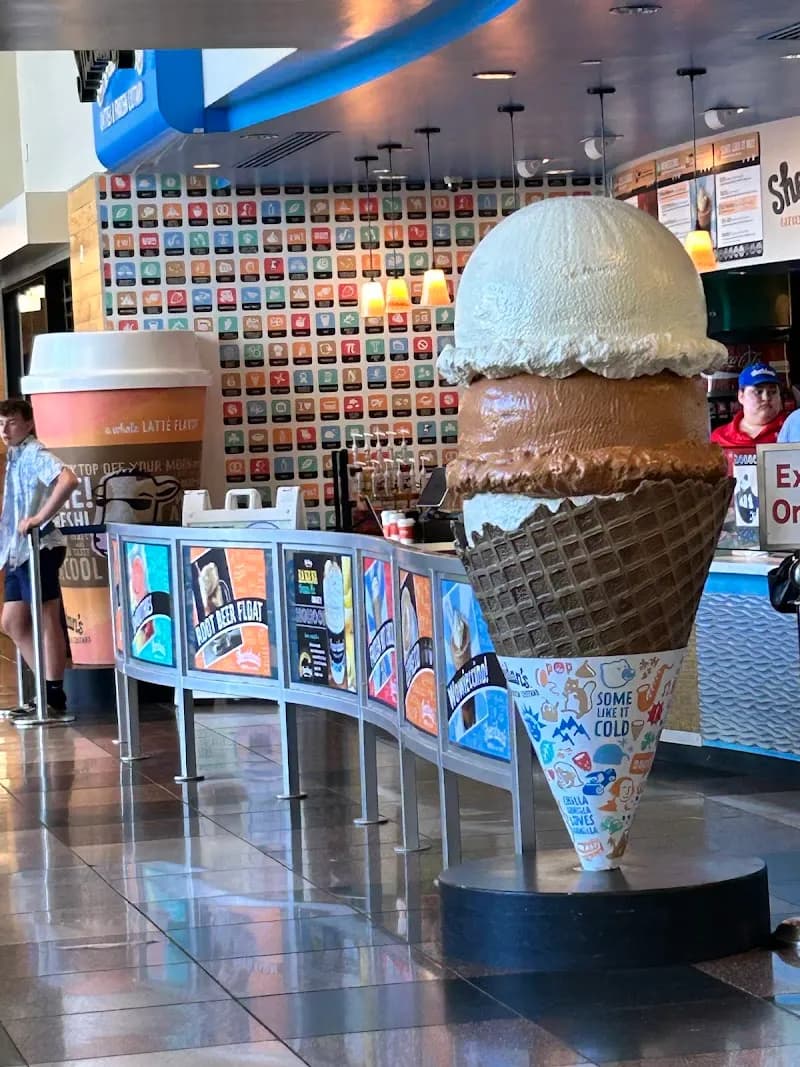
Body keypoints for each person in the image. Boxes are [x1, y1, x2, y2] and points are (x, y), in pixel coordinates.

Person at [0, 399, 78, 720]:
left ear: (29, 424)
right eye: (1, 423)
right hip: (18, 551)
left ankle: (53, 692)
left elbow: (68, 480)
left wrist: (39, 519)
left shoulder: (33, 453)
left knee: (46, 616)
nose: (5, 430)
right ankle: (46, 690)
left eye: (12, 423)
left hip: (40, 547)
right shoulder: (15, 456)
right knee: (12, 621)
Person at [710, 363, 787, 446]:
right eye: (758, 392)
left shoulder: (792, 430)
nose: (766, 398)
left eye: (773, 392)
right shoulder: (720, 437)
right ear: (741, 396)